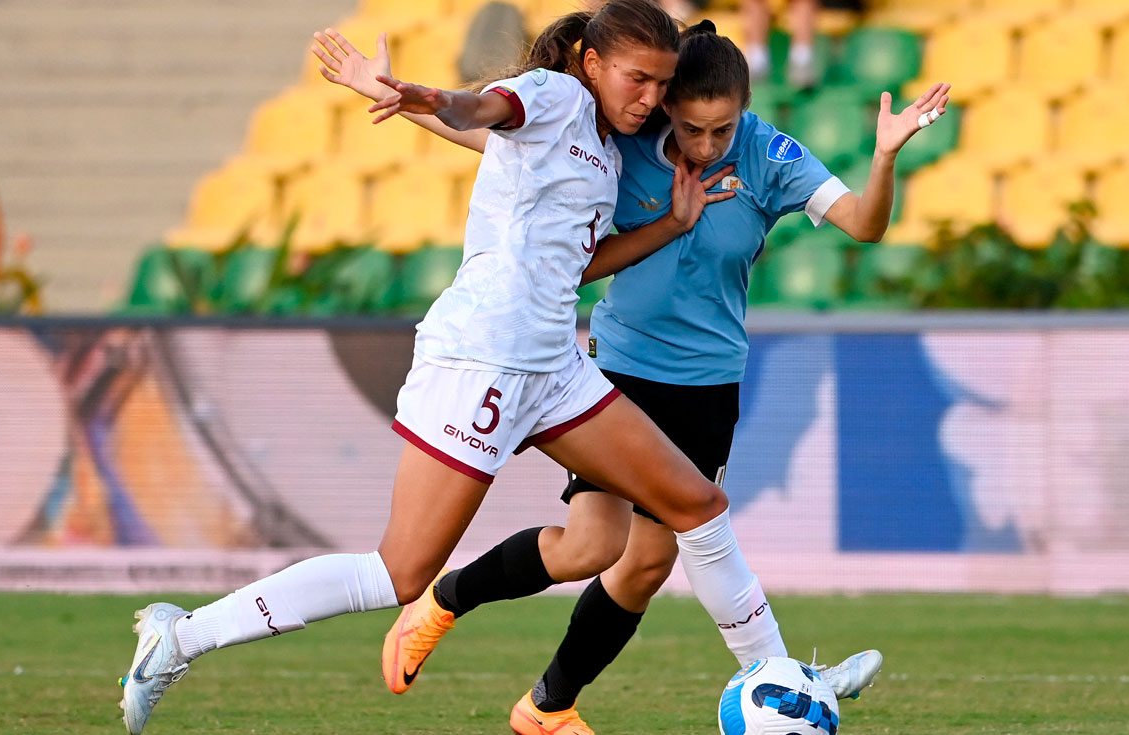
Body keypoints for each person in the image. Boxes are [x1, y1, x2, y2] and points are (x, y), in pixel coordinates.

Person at [119, 3, 815, 734]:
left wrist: (670, 227)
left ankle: (779, 679)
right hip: (482, 358)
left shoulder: (610, 150)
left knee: (696, 504)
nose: (650, 99)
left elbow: (577, 263)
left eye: (660, 83)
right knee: (397, 573)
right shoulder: (557, 95)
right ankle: (182, 636)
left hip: (553, 363)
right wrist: (424, 96)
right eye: (637, 79)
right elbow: (487, 106)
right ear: (592, 65)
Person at [314, 17, 950, 735]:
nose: (705, 146)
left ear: (743, 111)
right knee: (597, 545)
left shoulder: (771, 155)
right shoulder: (625, 140)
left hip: (708, 383)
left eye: (722, 130)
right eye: (690, 128)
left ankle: (545, 707)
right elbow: (497, 137)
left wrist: (886, 156)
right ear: (668, 106)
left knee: (641, 567)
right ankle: (444, 600)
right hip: (617, 370)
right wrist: (410, 102)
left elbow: (864, 224)